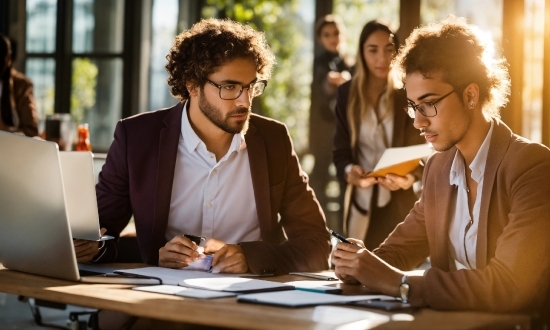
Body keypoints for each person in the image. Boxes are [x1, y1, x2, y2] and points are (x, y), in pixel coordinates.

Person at [74, 18, 331, 275]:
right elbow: (99, 236)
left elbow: (317, 245)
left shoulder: (274, 139)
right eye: (229, 87)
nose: (245, 101)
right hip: (161, 297)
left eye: (250, 87)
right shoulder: (138, 138)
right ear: (192, 84)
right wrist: (155, 255)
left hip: (250, 298)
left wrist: (251, 257)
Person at [332, 16, 550, 313]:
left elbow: (510, 285)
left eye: (429, 103)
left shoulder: (532, 166)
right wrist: (358, 263)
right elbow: (399, 252)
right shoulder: (438, 168)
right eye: (412, 107)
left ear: (471, 95)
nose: (419, 122)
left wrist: (399, 283)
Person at [333, 20, 425, 250]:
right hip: (359, 201)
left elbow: (421, 148)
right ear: (362, 53)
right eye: (373, 50)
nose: (382, 59)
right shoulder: (347, 94)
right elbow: (340, 151)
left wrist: (409, 179)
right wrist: (349, 172)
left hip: (397, 202)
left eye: (389, 49)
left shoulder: (405, 94)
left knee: (395, 266)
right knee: (355, 266)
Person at [309, 14, 352, 228]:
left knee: (346, 175)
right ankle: (318, 230)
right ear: (320, 38)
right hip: (322, 130)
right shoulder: (320, 61)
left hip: (342, 129)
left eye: (335, 33)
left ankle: (345, 230)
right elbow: (329, 81)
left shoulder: (346, 61)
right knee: (319, 179)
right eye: (327, 34)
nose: (332, 38)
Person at [0, 34, 38, 137]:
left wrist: (9, 136)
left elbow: (31, 130)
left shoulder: (22, 86)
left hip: (11, 149)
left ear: (9, 61)